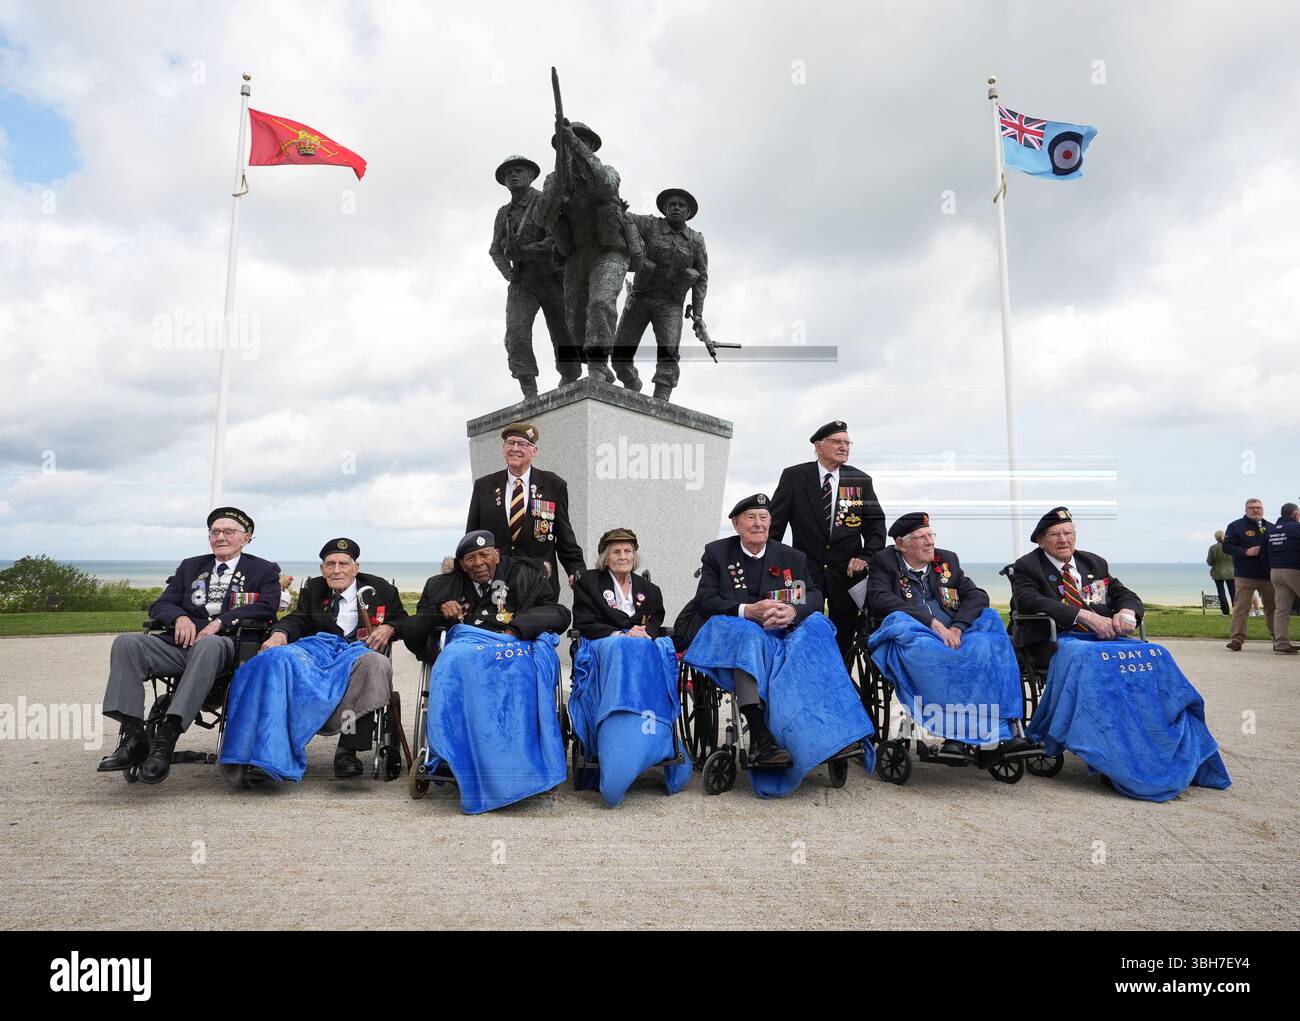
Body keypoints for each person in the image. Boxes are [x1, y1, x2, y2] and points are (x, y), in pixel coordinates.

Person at [683, 494, 873, 794]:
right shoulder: (718, 553)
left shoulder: (791, 556)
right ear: (736, 524)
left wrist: (793, 611)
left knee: (819, 628)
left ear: (771, 522)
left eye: (763, 518)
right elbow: (705, 600)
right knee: (748, 636)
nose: (758, 524)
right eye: (751, 518)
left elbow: (812, 594)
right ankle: (760, 737)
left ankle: (834, 731)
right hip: (734, 631)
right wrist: (748, 611)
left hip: (781, 633)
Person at [97, 507, 280, 784]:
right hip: (181, 646)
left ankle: (166, 738)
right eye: (215, 532)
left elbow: (267, 608)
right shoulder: (191, 566)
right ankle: (134, 738)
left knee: (209, 645)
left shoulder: (263, 569)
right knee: (128, 643)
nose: (220, 537)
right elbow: (160, 604)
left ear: (246, 538)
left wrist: (221, 622)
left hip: (228, 647)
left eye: (228, 532)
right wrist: (180, 616)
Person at [867, 512, 1030, 756]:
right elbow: (879, 599)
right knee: (938, 655)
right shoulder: (885, 562)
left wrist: (958, 626)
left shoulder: (946, 560)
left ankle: (1003, 729)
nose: (930, 541)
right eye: (921, 537)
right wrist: (932, 623)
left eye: (931, 535)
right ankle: (956, 734)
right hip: (919, 635)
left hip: (955, 633)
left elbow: (977, 595)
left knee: (990, 639)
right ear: (901, 544)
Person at [253, 538, 408, 777]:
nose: (337, 570)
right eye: (330, 564)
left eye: (343, 564)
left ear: (355, 567)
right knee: (282, 661)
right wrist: (280, 634)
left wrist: (389, 627)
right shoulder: (315, 589)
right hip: (320, 662)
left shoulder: (381, 589)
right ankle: (274, 751)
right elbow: (298, 618)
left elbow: (404, 620)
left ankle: (347, 750)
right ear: (322, 569)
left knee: (374, 663)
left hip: (360, 659)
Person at [530, 119, 639, 383]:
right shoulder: (554, 179)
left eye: (579, 140)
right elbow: (542, 218)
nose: (571, 146)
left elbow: (606, 188)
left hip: (609, 250)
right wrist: (559, 180)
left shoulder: (608, 170)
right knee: (574, 318)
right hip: (577, 254)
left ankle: (598, 365)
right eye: (566, 143)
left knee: (600, 303)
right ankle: (597, 363)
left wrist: (575, 145)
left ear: (589, 145)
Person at [770, 420, 886, 660]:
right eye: (837, 442)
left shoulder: (861, 481)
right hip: (803, 572)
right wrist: (774, 566)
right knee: (799, 631)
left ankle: (841, 689)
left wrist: (866, 557)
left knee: (843, 642)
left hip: (847, 576)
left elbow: (876, 528)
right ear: (819, 446)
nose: (844, 447)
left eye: (847, 443)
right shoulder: (794, 477)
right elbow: (775, 527)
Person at [392, 530, 570, 660]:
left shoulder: (526, 576)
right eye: (470, 558)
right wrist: (440, 614)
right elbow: (411, 635)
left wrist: (516, 629)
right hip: (463, 660)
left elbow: (558, 613)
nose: (478, 563)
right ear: (462, 564)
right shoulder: (440, 586)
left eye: (485, 555)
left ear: (497, 556)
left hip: (511, 656)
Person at [1009, 506, 1143, 669]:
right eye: (1055, 534)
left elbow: (1123, 594)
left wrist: (1127, 612)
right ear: (1041, 542)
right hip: (1052, 640)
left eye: (1068, 533)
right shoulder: (1028, 565)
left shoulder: (1093, 562)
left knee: (1150, 654)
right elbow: (1027, 601)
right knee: (1089, 659)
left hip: (1102, 638)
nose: (1063, 540)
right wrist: (1086, 616)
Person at [489, 155, 577, 398]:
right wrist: (508, 273)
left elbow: (554, 240)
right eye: (508, 174)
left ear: (530, 175)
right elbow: (495, 250)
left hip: (553, 277)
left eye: (518, 171)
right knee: (516, 333)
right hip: (522, 281)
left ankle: (569, 376)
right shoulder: (503, 213)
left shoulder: (544, 202)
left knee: (563, 333)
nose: (513, 175)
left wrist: (525, 251)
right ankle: (528, 387)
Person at [610, 188, 708, 401]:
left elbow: (701, 278)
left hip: (670, 303)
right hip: (641, 297)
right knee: (618, 356)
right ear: (664, 208)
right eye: (672, 204)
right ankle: (632, 382)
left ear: (688, 211)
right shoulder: (651, 225)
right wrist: (619, 207)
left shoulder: (696, 241)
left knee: (669, 353)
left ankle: (662, 397)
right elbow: (626, 219)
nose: (676, 208)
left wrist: (698, 314)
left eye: (681, 205)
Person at [465, 421, 584, 596]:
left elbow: (564, 536)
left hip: (539, 581)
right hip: (496, 581)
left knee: (539, 623)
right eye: (510, 443)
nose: (515, 448)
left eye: (522, 444)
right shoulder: (484, 486)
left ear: (534, 451)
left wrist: (576, 570)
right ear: (503, 449)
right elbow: (472, 535)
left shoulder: (554, 485)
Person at [572, 528, 665, 639]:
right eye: (616, 552)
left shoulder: (650, 590)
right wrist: (620, 635)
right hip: (606, 639)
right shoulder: (588, 582)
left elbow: (655, 620)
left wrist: (644, 631)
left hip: (641, 639)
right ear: (605, 559)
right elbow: (584, 623)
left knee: (657, 646)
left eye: (627, 551)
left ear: (634, 557)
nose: (623, 557)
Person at [1222, 498, 1276, 651]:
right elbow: (1227, 547)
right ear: (1245, 509)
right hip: (1245, 574)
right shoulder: (1235, 526)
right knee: (1241, 608)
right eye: (1252, 508)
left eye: (1259, 507)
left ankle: (1277, 639)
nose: (1256, 510)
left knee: (1273, 608)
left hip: (1268, 575)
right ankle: (1237, 640)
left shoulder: (1271, 527)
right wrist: (1245, 551)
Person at [1267, 503, 1300, 655]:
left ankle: (1281, 644)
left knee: (1281, 610)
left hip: (1275, 572)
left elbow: (1264, 552)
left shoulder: (1271, 530)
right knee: (1282, 609)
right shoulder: (1296, 528)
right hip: (1294, 570)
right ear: (1295, 515)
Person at [1205, 531, 1235, 616]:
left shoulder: (1213, 548)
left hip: (1218, 573)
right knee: (1233, 592)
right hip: (1231, 573)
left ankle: (1225, 612)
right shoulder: (1230, 547)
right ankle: (1236, 611)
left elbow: (1209, 562)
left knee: (1221, 592)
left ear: (1215, 538)